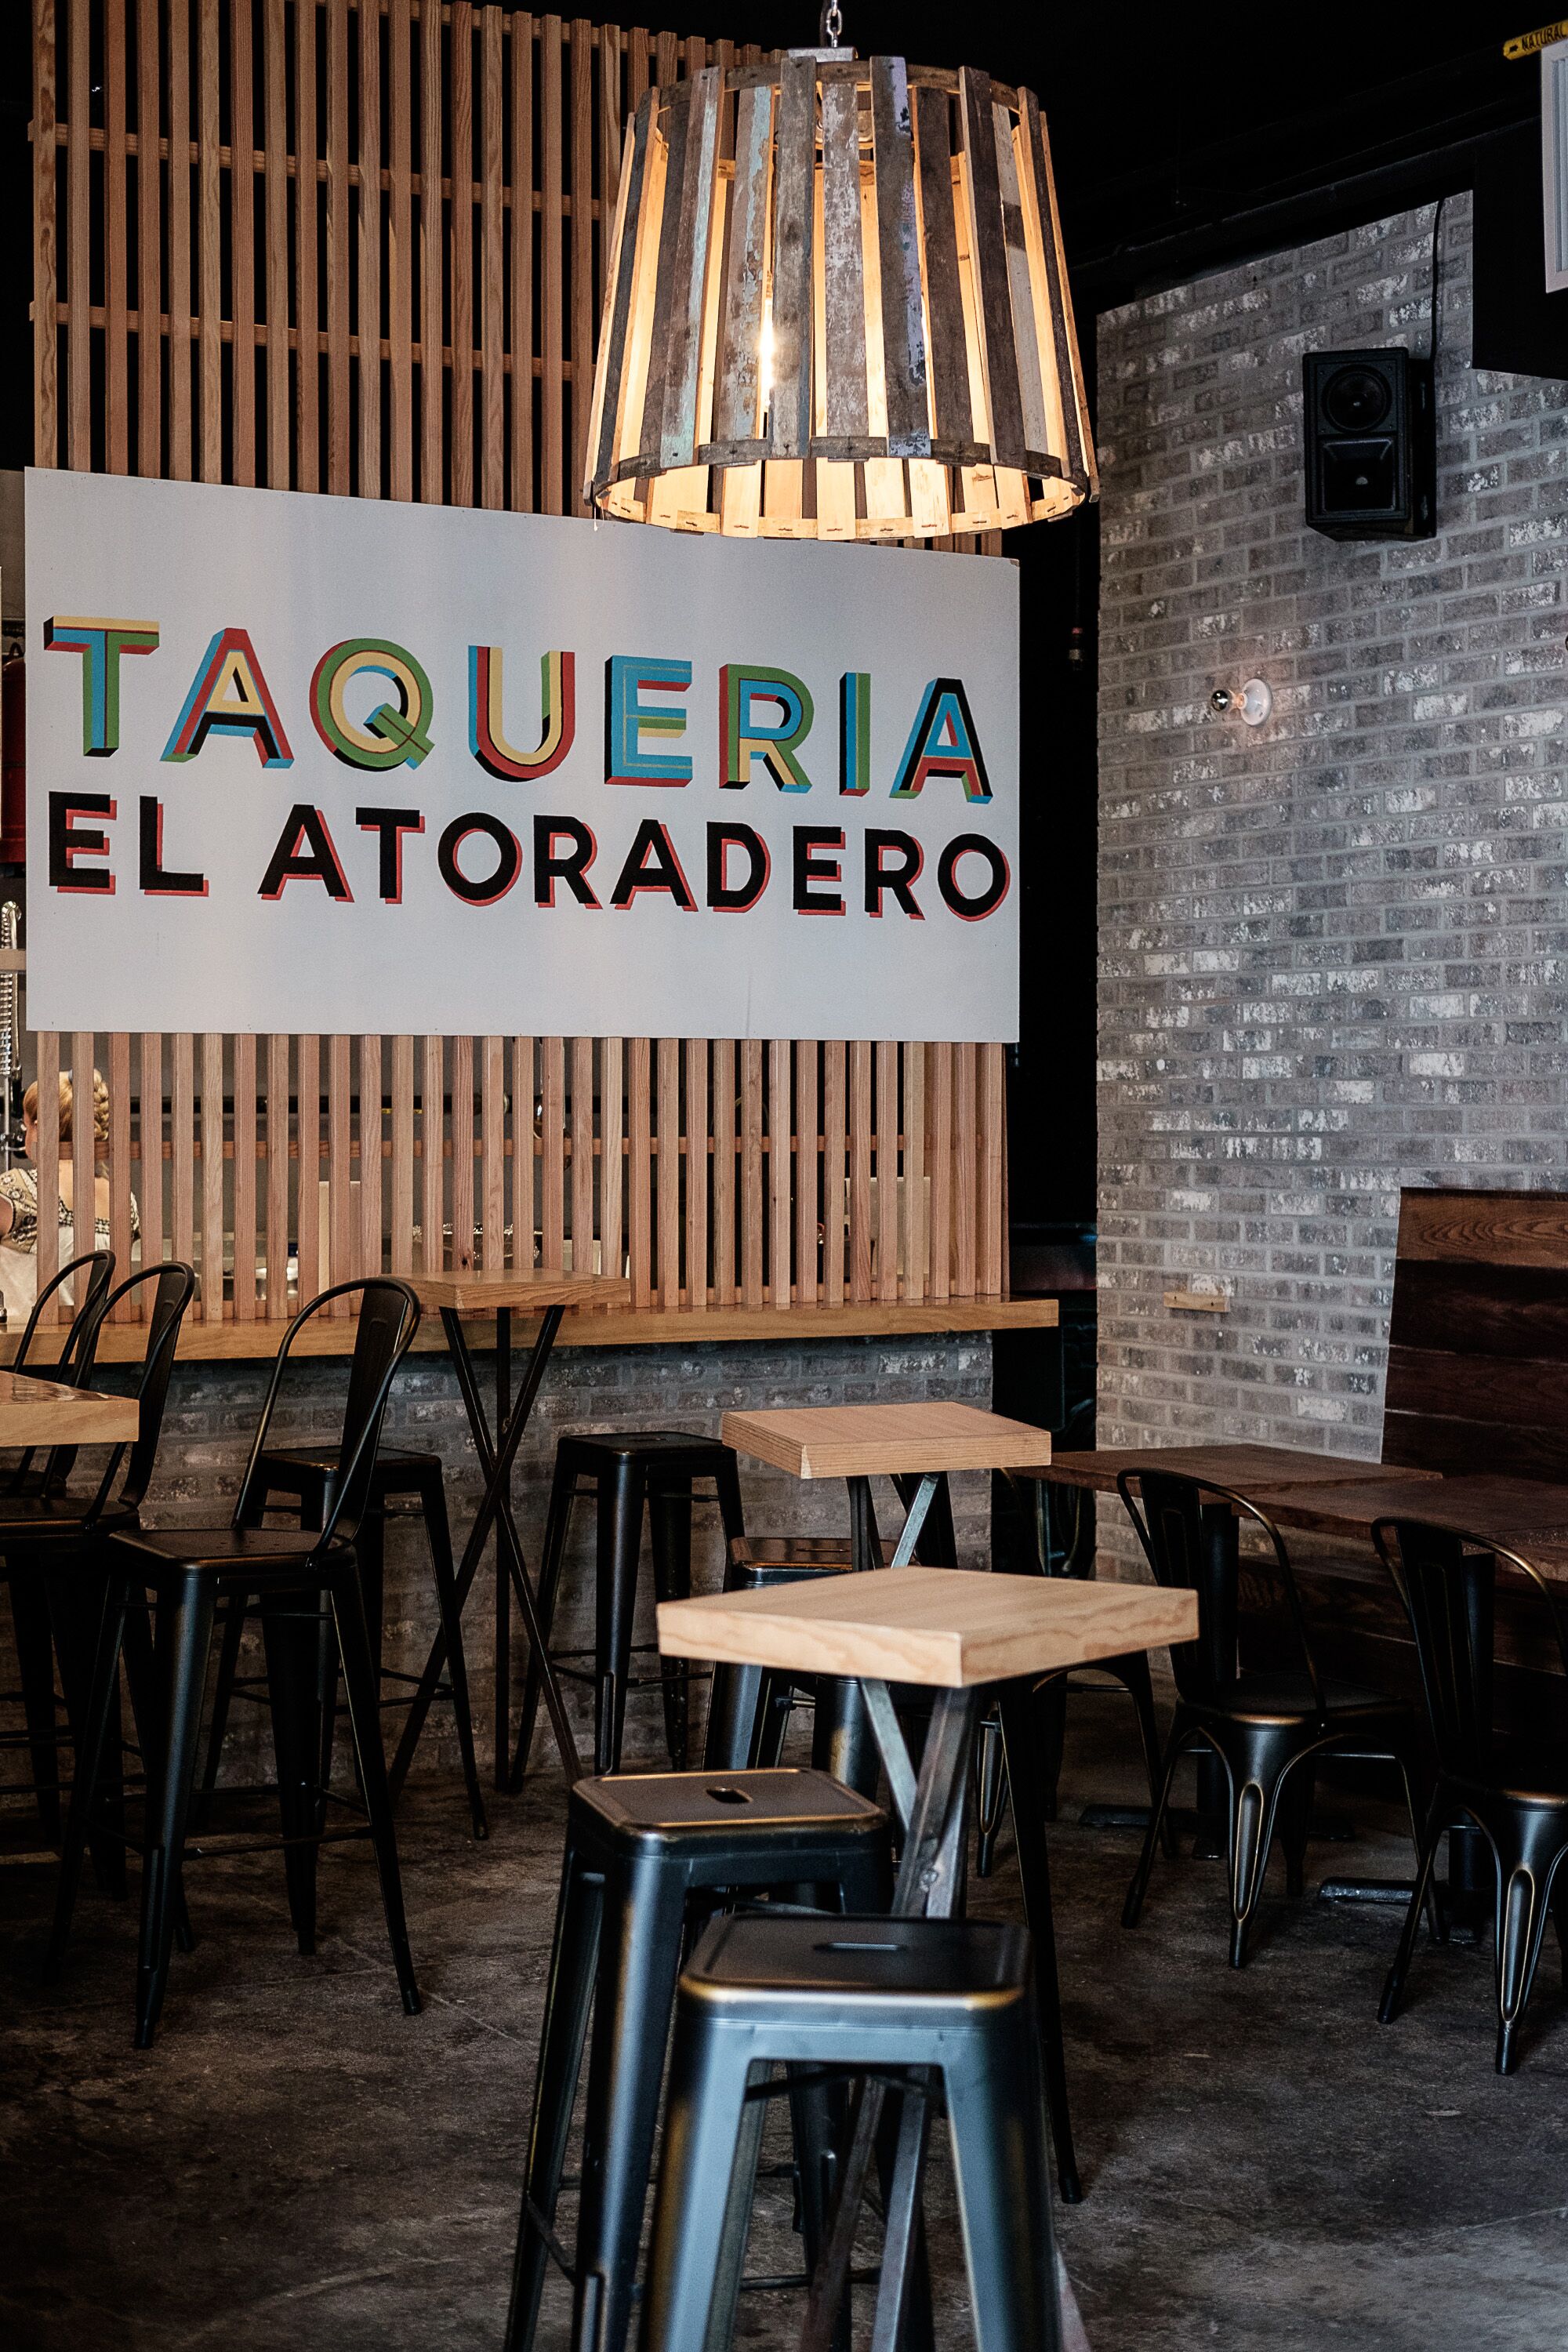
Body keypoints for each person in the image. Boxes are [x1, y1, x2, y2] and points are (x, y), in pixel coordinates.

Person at [0, 1068, 138, 1323]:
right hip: (95, 1352)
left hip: (26, 1353)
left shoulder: (13, 1190)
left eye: (26, 1126)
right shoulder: (123, 1199)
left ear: (41, 1129)